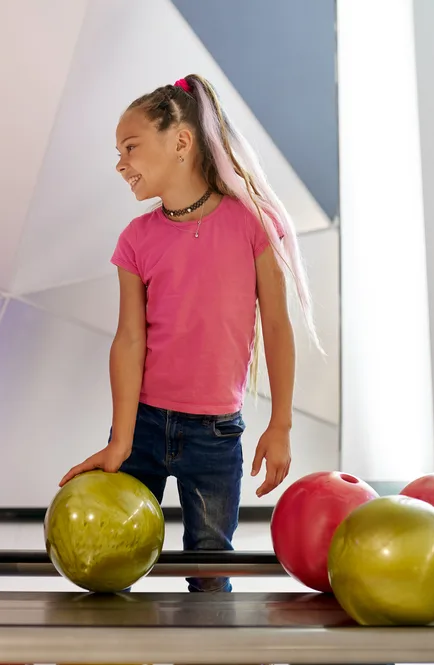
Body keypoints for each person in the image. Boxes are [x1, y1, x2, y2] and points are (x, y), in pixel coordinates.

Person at [58, 74, 321, 593]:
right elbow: (129, 341)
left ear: (180, 141)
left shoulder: (253, 223)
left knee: (210, 568)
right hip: (145, 426)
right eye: (118, 152)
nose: (120, 163)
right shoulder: (136, 239)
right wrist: (122, 440)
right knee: (111, 562)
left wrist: (282, 424)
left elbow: (275, 324)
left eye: (130, 148)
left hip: (216, 435)